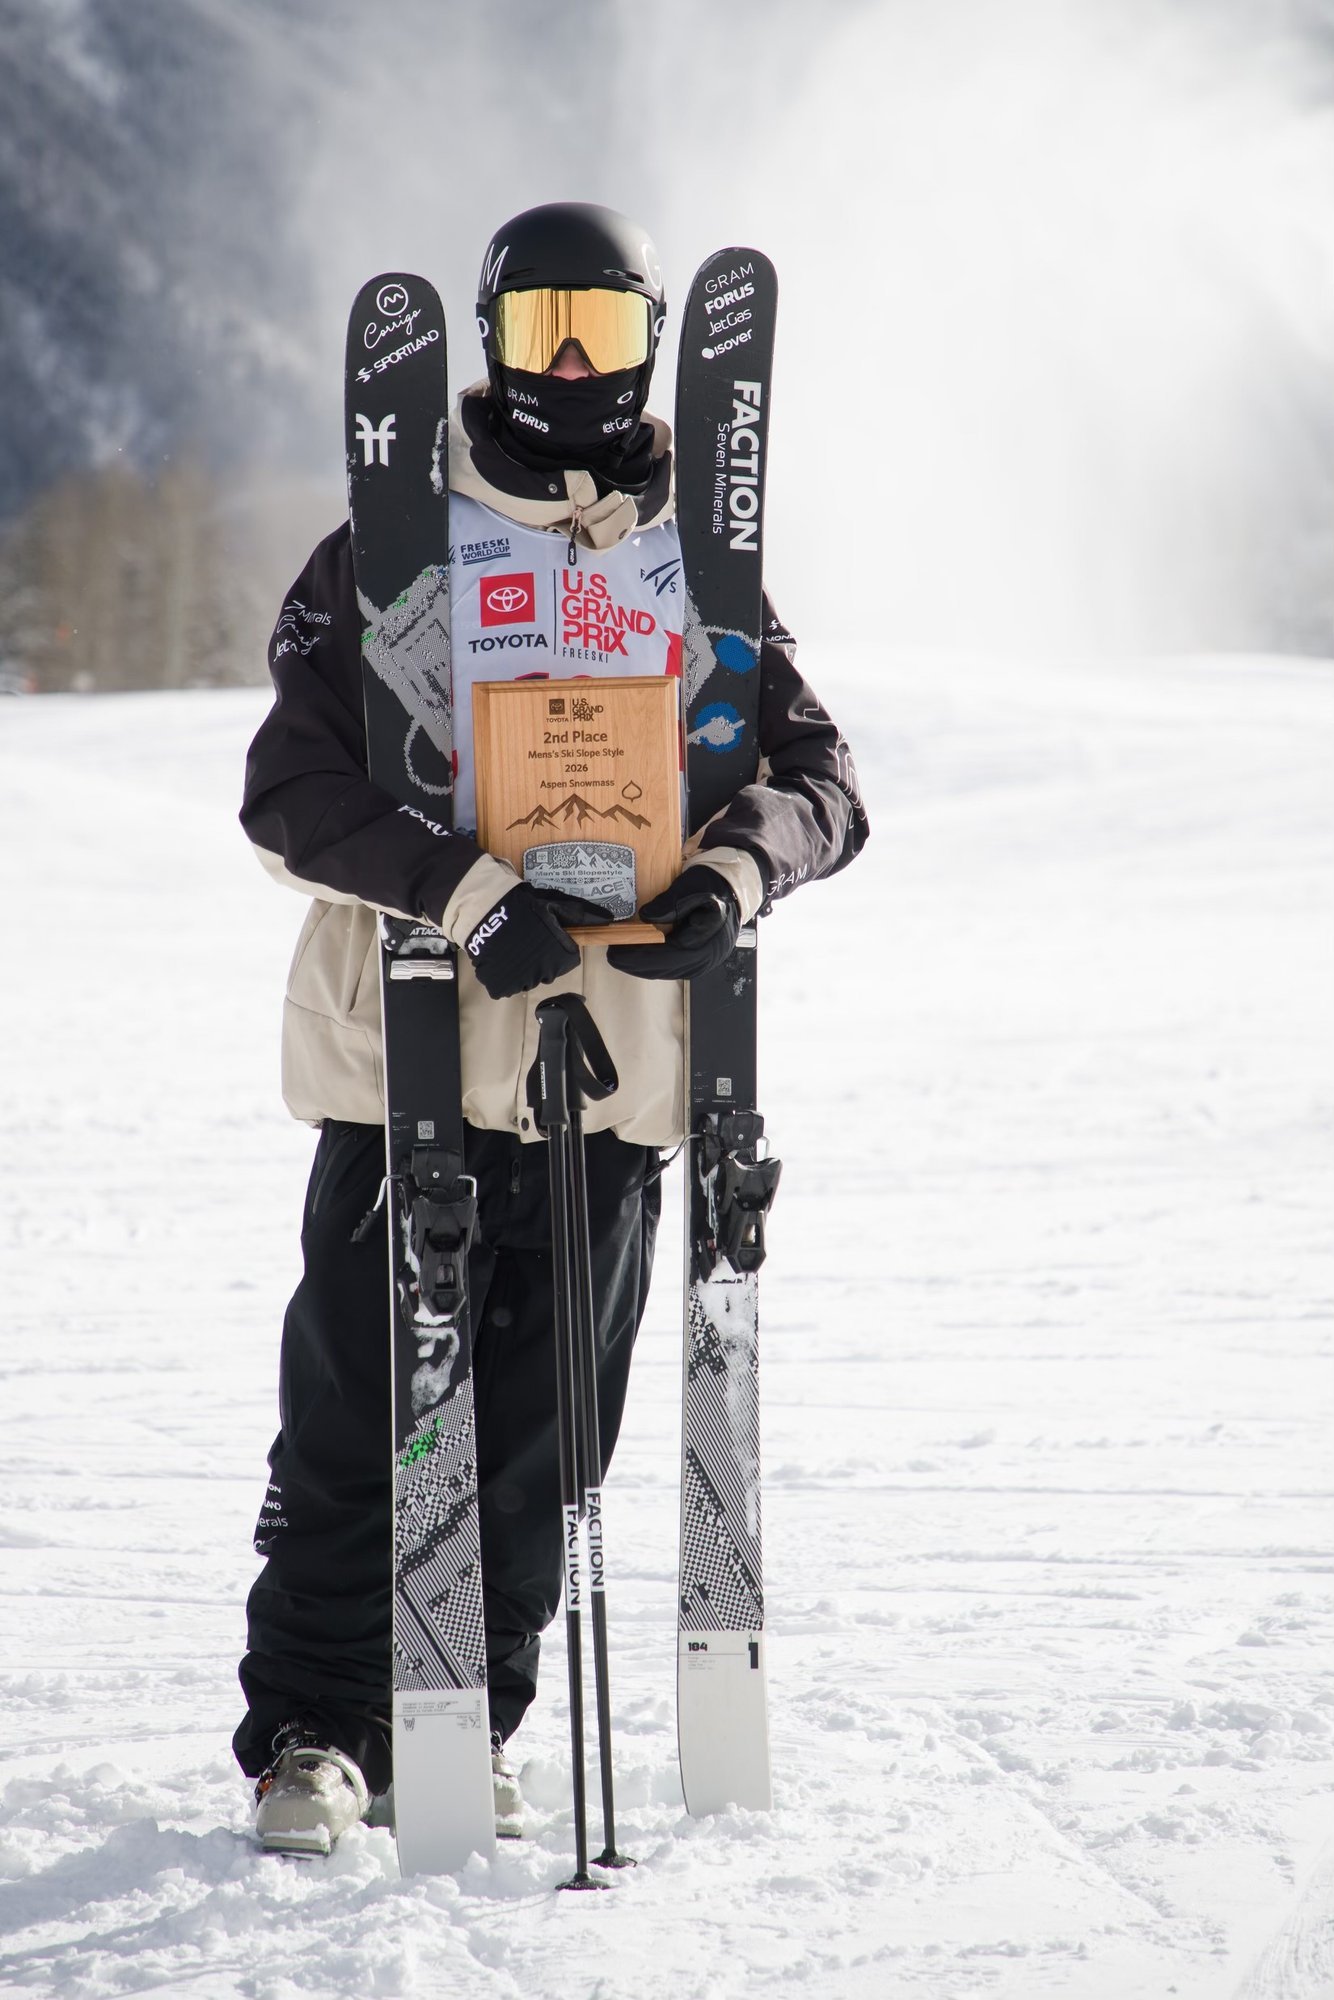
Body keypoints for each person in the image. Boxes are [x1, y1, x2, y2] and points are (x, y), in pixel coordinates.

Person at [234, 201, 868, 1854]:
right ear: (490, 342)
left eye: (601, 328)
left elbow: (819, 780)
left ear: (649, 345)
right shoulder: (392, 549)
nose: (572, 365)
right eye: (538, 330)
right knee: (362, 1409)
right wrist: (459, 892)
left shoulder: (697, 567)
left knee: (540, 1432)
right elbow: (292, 790)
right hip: (412, 1055)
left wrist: (734, 872)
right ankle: (315, 1732)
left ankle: (468, 1722)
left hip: (617, 1070)